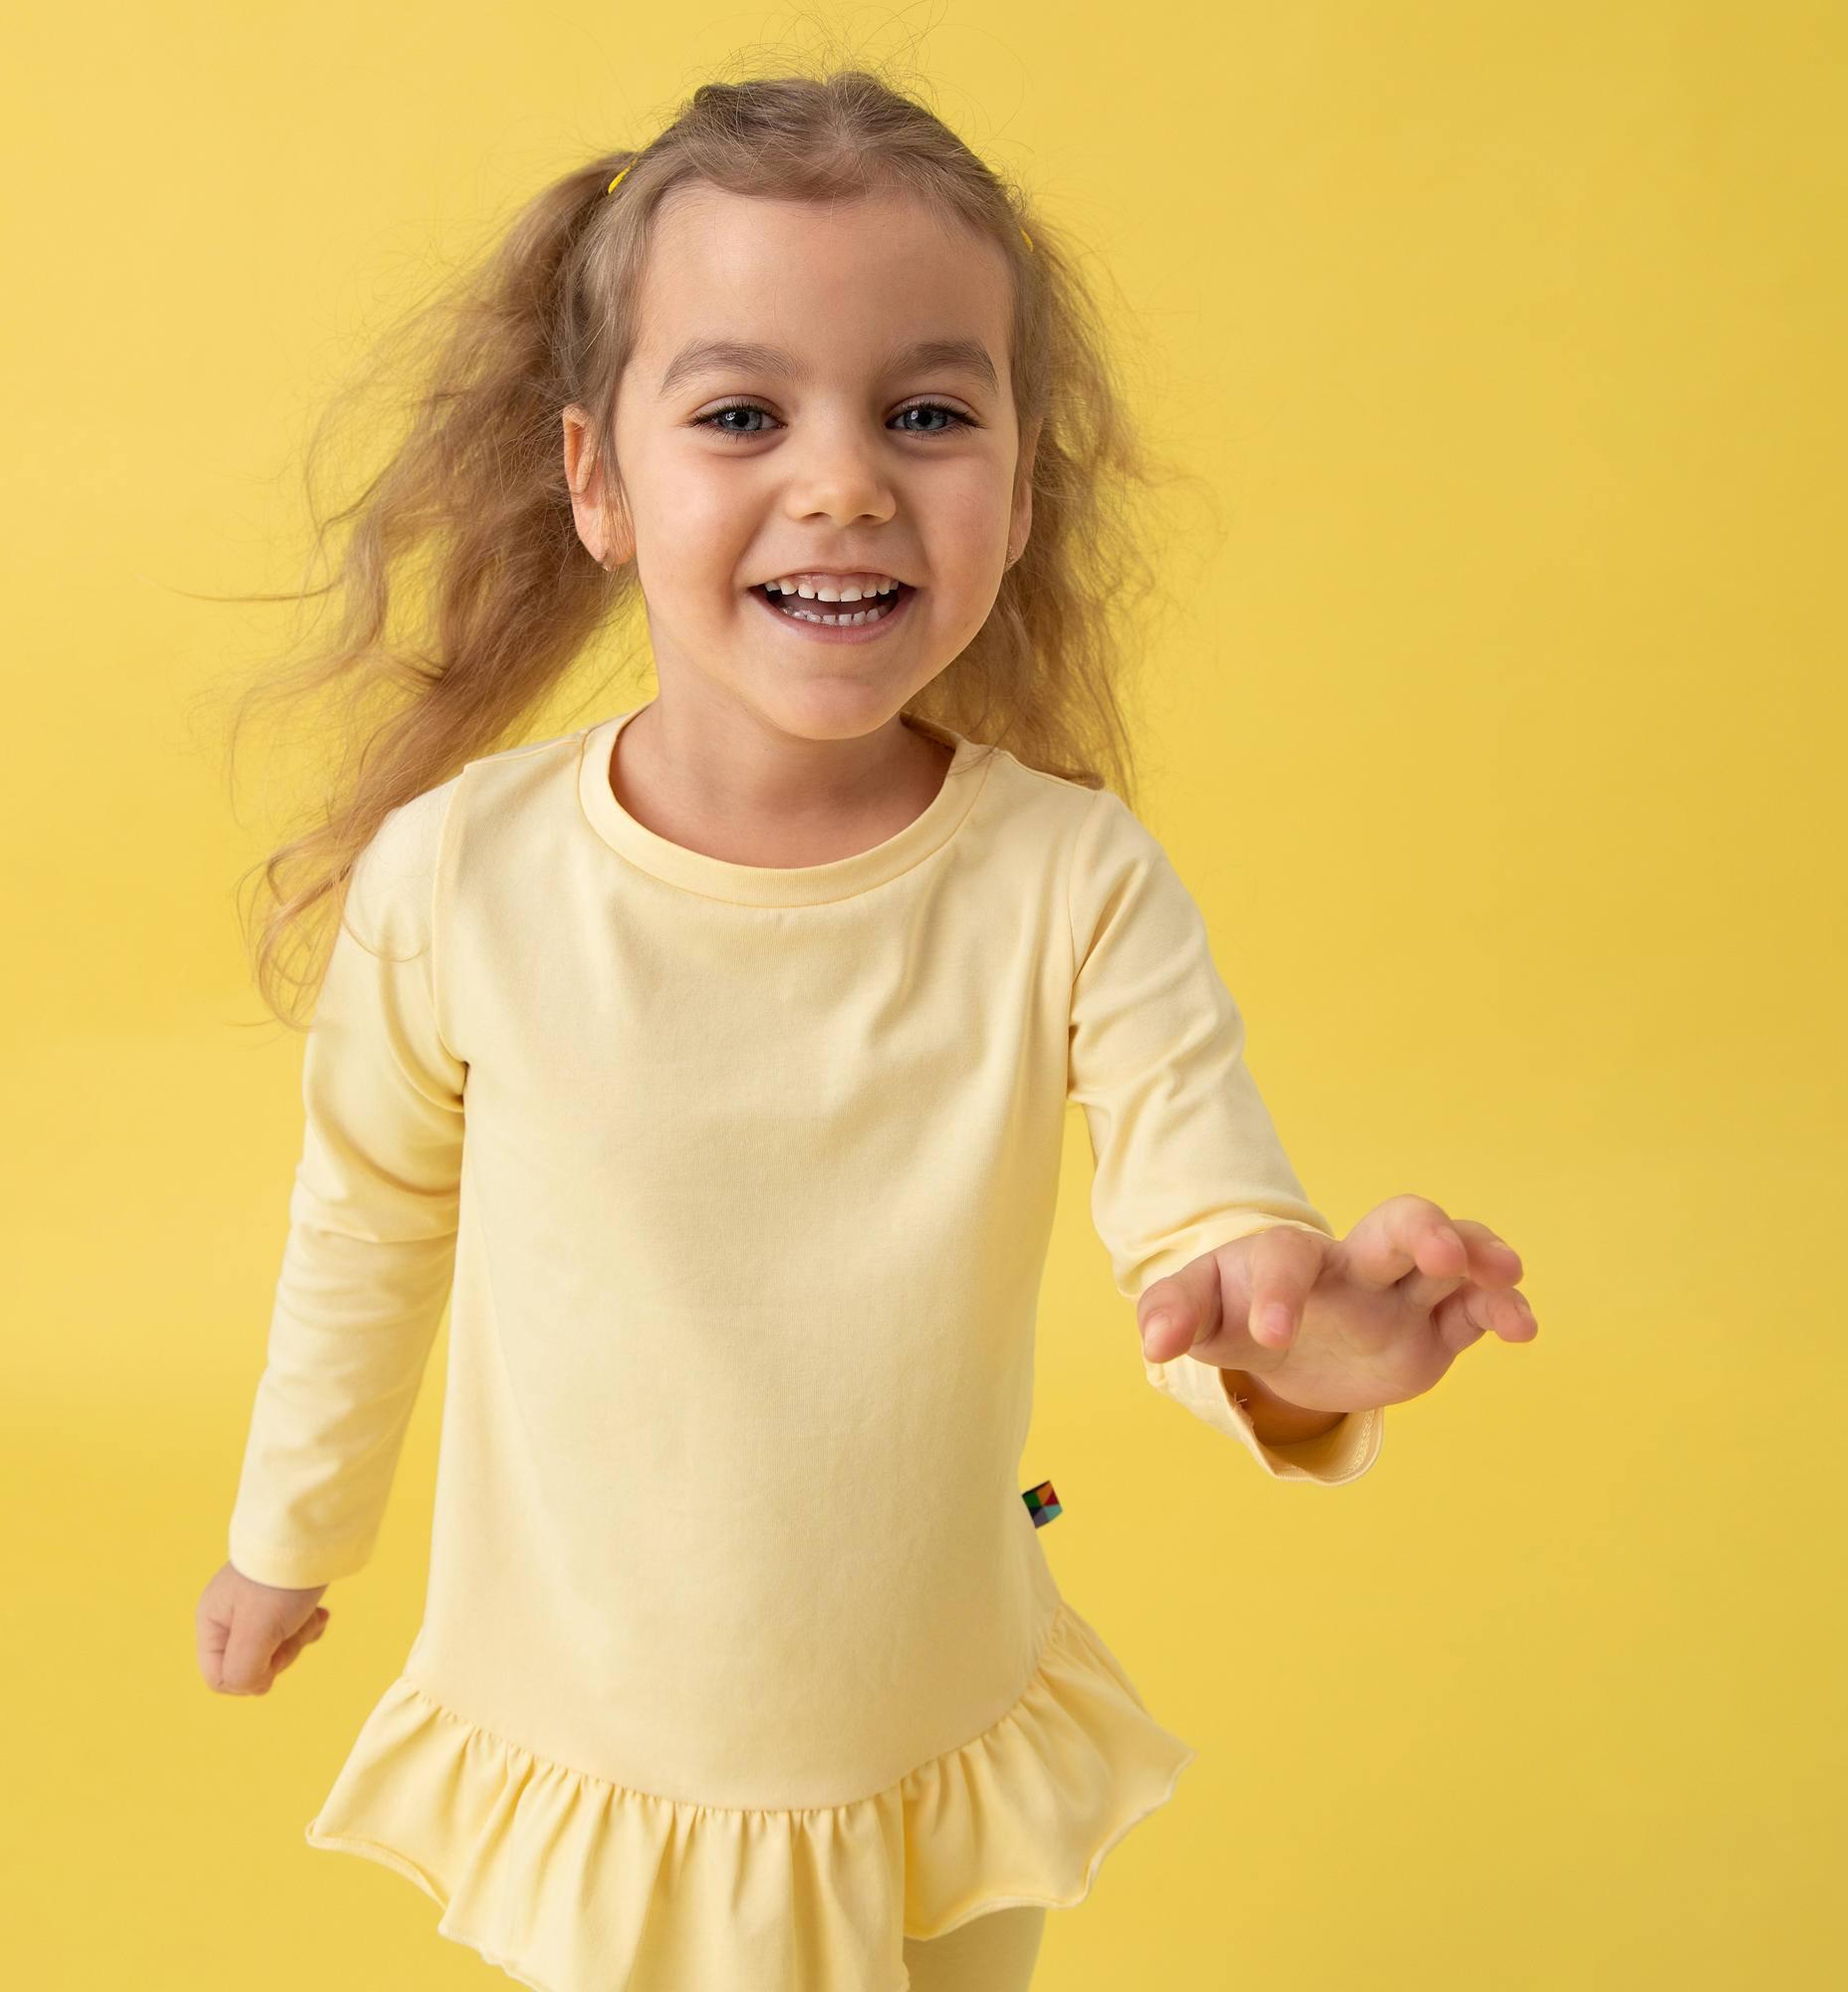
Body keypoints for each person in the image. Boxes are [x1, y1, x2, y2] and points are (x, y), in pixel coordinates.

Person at [193, 64, 1537, 1992]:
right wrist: (283, 1537)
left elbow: (1201, 1229)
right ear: (594, 476)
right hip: (603, 1745)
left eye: (925, 411)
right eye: (740, 412)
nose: (841, 480)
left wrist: (1304, 1341)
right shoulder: (462, 877)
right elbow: (366, 1226)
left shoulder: (1069, 881)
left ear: (1017, 477)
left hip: (928, 1738)